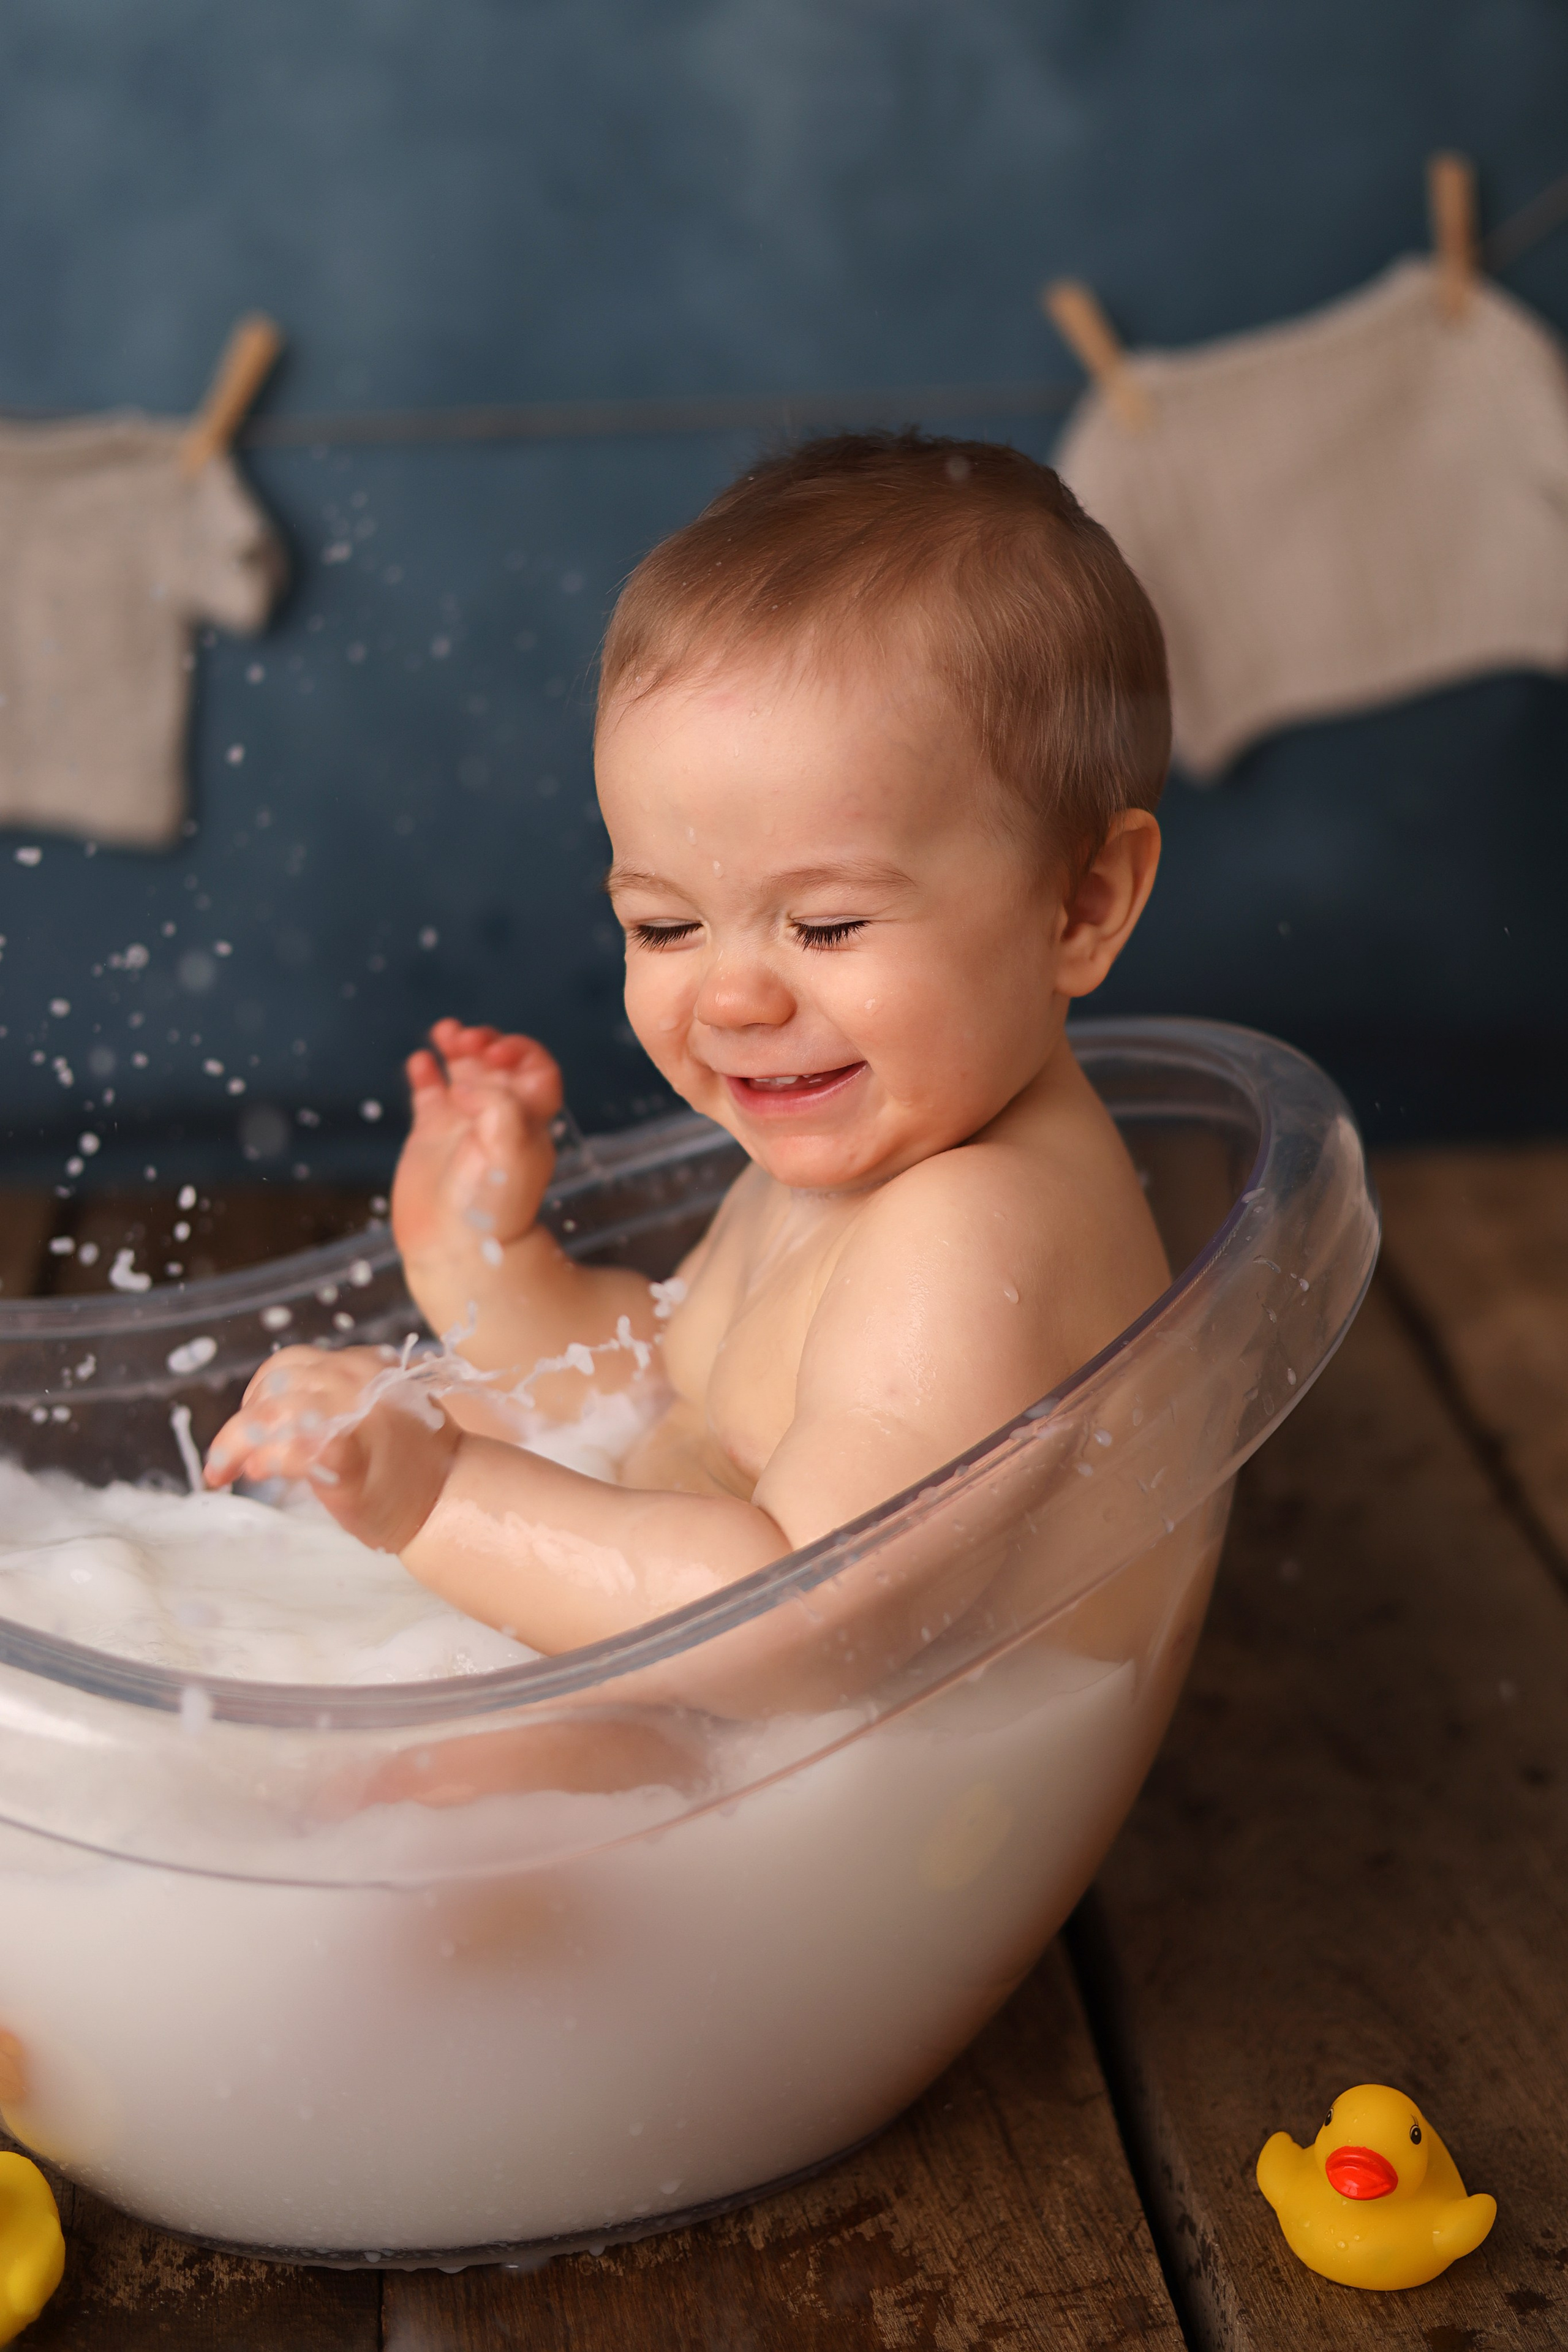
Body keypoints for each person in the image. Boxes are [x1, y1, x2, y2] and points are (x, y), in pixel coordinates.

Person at [206, 431, 1172, 1669]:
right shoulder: (858, 1155)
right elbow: (672, 1387)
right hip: (733, 1736)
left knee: (405, 1806)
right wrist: (485, 1261)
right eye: (663, 924)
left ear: (1080, 905)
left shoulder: (970, 1227)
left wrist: (441, 1501)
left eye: (823, 924)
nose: (730, 1000)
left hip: (871, 1808)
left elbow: (804, 1624)